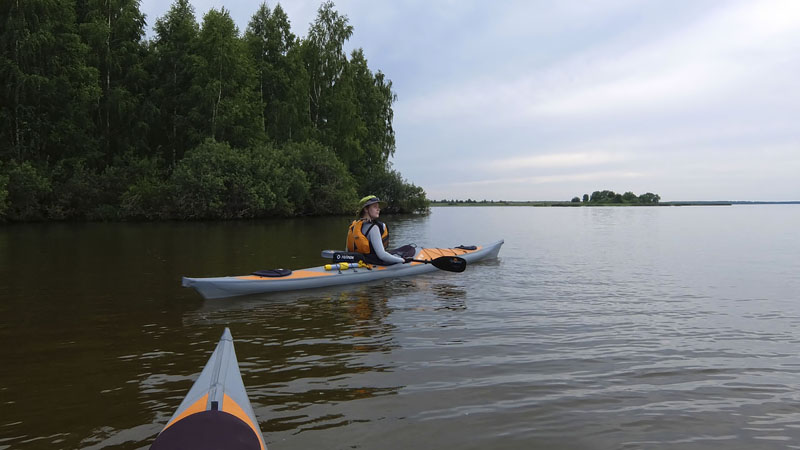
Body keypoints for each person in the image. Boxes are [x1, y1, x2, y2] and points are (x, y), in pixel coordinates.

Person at [346, 195, 407, 265]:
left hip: (356, 262)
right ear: (366, 209)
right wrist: (402, 260)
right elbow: (382, 255)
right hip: (371, 264)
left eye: (378, 207)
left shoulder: (353, 226)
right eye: (375, 207)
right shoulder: (373, 228)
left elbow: (347, 251)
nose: (378, 209)